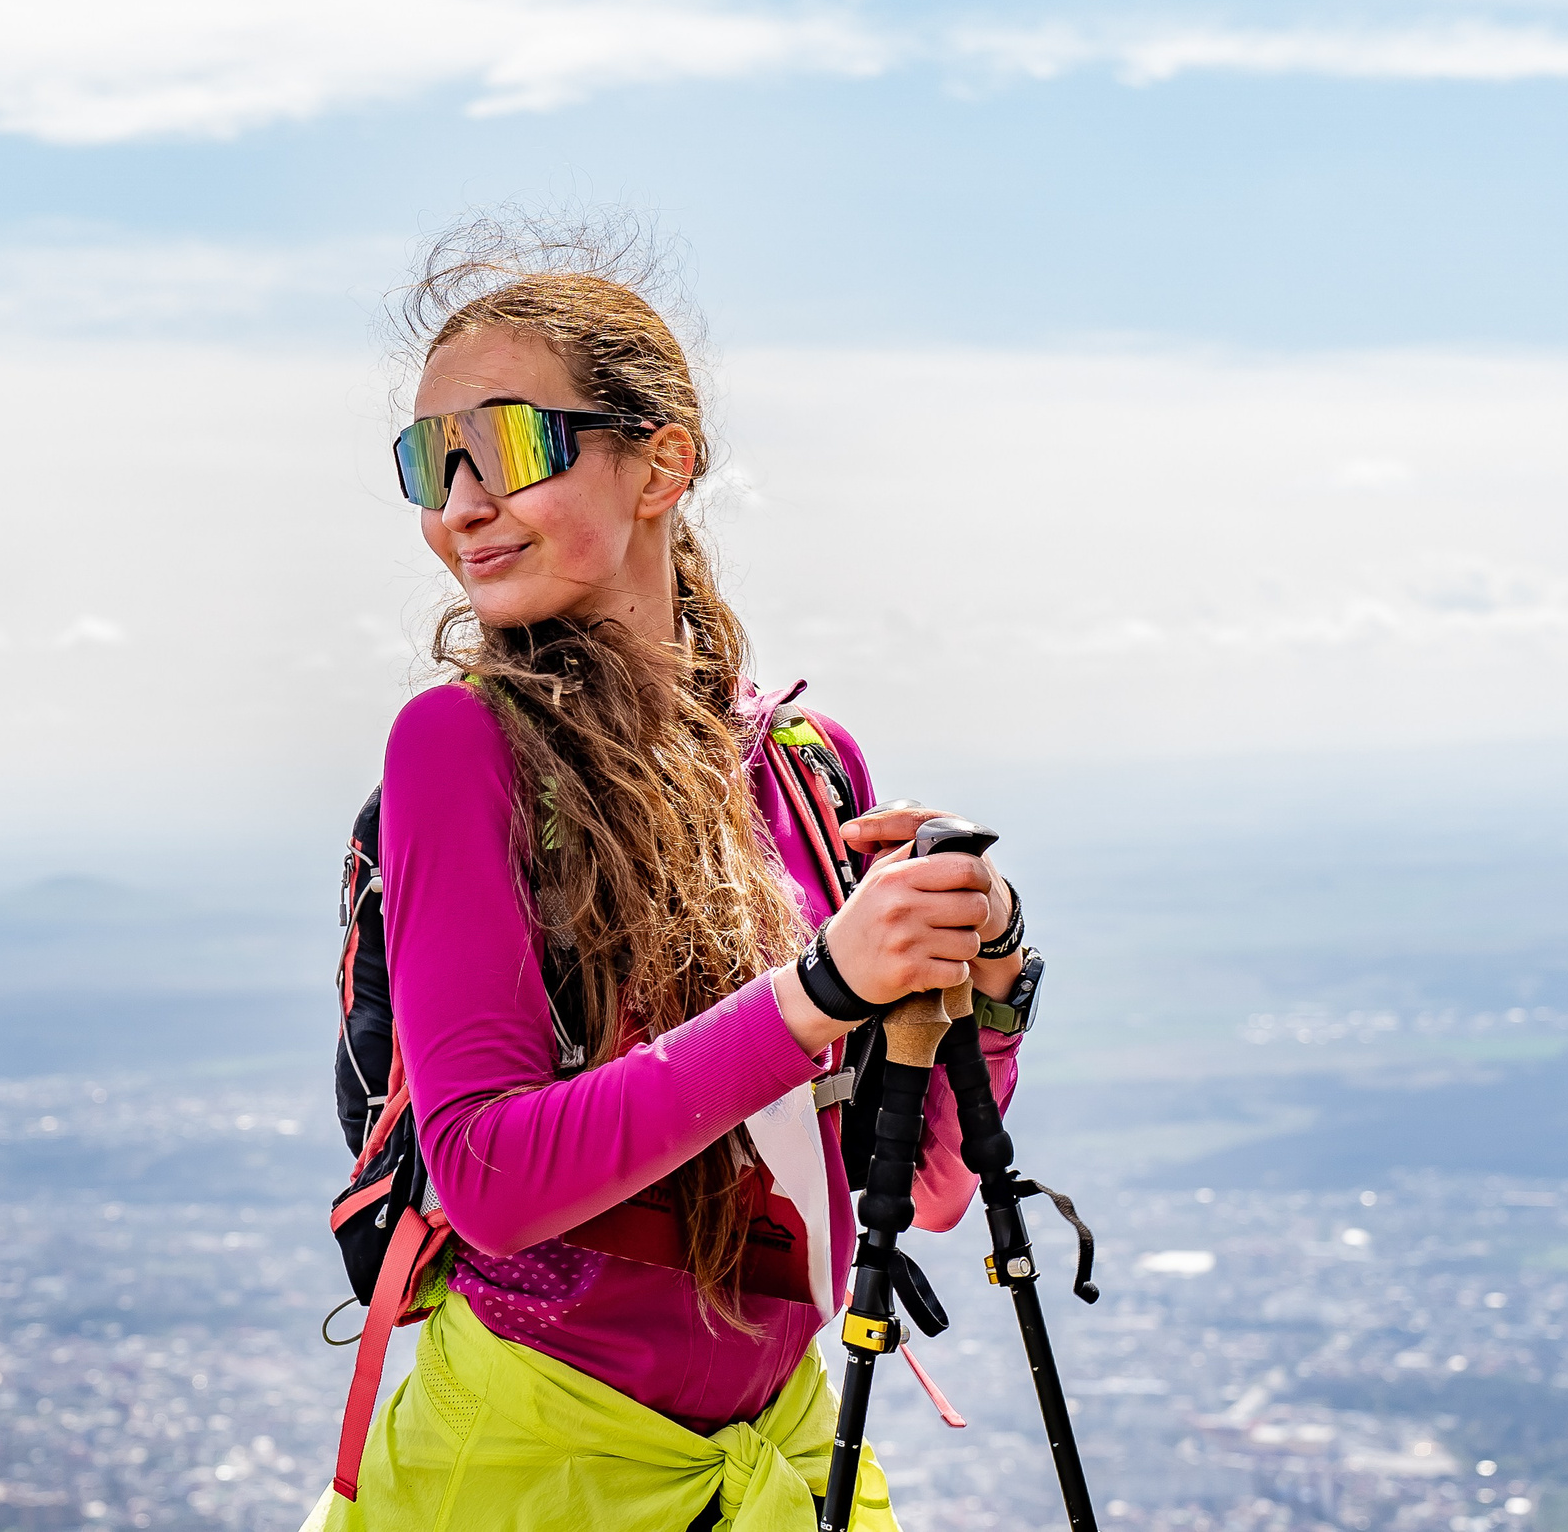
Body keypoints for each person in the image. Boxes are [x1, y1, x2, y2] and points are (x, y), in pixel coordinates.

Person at [303, 229, 1031, 1532]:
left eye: (512, 444)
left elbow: (916, 1192)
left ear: (663, 463)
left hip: (790, 1461)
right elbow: (488, 1176)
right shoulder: (461, 750)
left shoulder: (807, 769)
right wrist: (819, 991)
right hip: (530, 1475)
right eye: (430, 459)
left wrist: (980, 983)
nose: (461, 500)